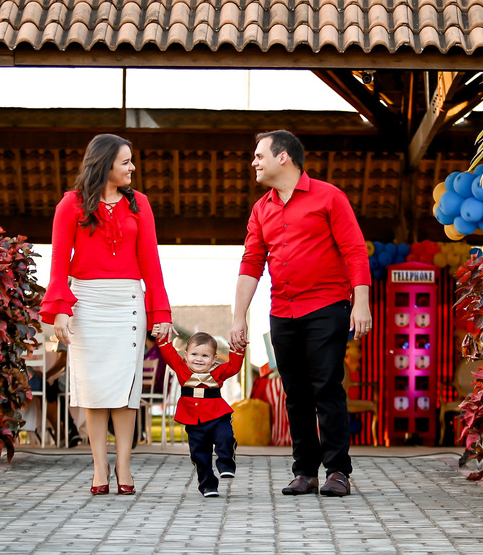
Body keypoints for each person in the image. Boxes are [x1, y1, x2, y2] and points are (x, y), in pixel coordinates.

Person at [230, 130, 371, 498]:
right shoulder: (261, 208)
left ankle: (337, 471)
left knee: (326, 387)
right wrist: (238, 316)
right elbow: (251, 262)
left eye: (259, 155)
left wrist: (362, 302)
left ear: (283, 157)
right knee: (294, 393)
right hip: (283, 310)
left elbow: (355, 250)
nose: (254, 162)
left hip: (327, 306)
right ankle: (305, 471)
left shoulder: (329, 196)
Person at [41, 134, 172, 496]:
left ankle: (124, 466)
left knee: (126, 391)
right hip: (86, 302)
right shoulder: (70, 204)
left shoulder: (139, 204)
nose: (132, 168)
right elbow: (58, 262)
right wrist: (61, 310)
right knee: (93, 388)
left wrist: (160, 312)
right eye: (125, 162)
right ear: (105, 164)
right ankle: (100, 468)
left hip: (128, 302)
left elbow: (151, 261)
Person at [157, 332, 245, 497]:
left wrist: (238, 348)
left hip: (218, 416)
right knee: (199, 454)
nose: (199, 359)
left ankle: (226, 464)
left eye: (205, 356)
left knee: (225, 437)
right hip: (193, 419)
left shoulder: (218, 371)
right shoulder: (181, 368)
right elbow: (168, 354)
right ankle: (207, 485)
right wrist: (161, 337)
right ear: (186, 355)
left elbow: (234, 367)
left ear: (214, 358)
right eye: (194, 354)